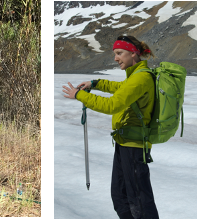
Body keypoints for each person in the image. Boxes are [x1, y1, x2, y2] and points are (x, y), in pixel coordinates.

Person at [62, 35, 159, 219]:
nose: (116, 58)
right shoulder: (134, 77)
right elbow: (120, 87)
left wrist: (79, 96)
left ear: (133, 53)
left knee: (140, 202)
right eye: (115, 54)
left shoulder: (141, 78)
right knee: (120, 197)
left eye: (119, 53)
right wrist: (95, 83)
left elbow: (112, 105)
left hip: (134, 146)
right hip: (125, 143)